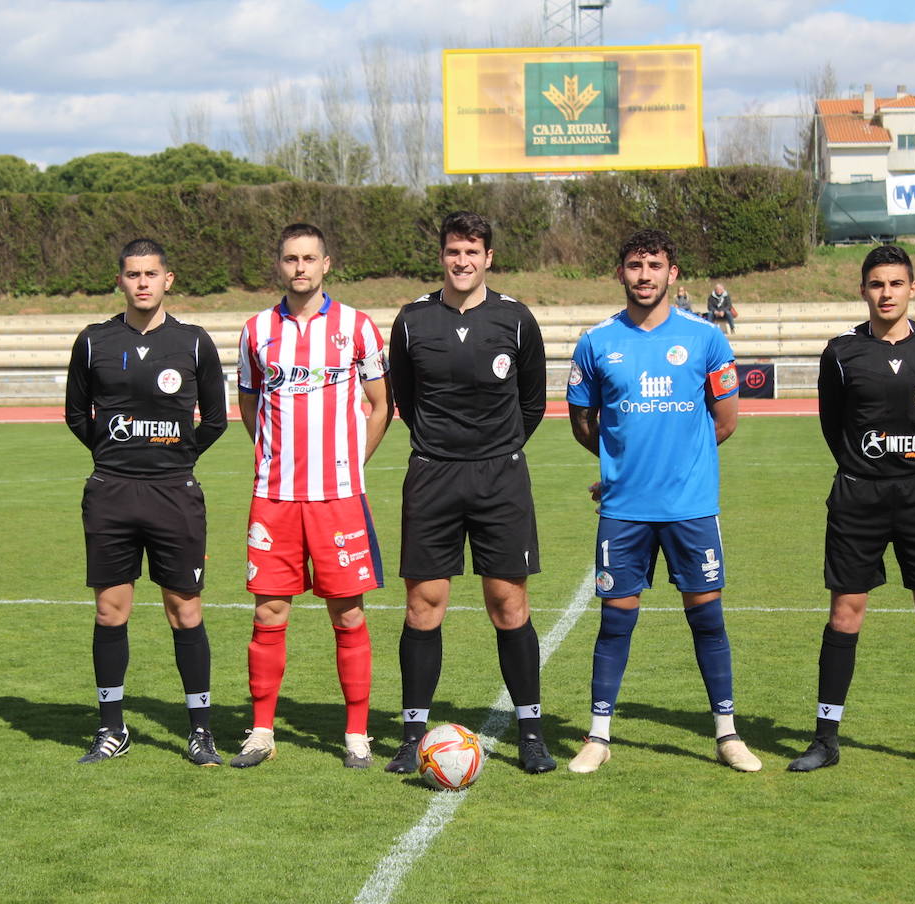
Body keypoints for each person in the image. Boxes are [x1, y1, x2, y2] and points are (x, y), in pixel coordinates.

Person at [788, 244, 915, 775]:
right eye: (876, 284)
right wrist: (864, 467)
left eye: (896, 284)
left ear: (913, 289)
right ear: (863, 290)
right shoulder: (840, 353)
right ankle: (825, 738)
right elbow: (831, 422)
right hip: (859, 498)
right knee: (845, 613)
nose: (886, 293)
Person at [566, 228, 761, 774]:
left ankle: (727, 733)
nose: (644, 275)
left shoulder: (706, 339)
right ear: (620, 273)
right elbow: (584, 422)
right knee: (615, 621)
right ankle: (598, 737)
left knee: (708, 619)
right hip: (624, 510)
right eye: (634, 265)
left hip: (691, 508)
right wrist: (620, 463)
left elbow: (725, 421)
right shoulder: (596, 341)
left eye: (655, 265)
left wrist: (678, 464)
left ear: (673, 274)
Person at [385, 211, 556, 775]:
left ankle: (531, 733)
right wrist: (446, 447)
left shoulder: (516, 319)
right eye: (454, 251)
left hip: (499, 477)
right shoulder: (412, 320)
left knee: (508, 604)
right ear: (443, 256)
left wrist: (494, 448)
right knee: (423, 604)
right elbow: (405, 400)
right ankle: (413, 736)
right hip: (432, 476)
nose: (462, 261)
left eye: (472, 251)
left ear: (489, 258)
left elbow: (531, 401)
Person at [64, 238, 229, 765]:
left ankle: (200, 730)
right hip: (111, 492)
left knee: (184, 610)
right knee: (111, 611)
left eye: (150, 274)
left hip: (173, 494)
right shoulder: (93, 342)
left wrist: (174, 458)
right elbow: (75, 415)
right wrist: (118, 455)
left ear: (167, 280)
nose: (141, 282)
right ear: (121, 281)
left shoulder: (195, 343)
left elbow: (217, 420)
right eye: (132, 274)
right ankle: (112, 728)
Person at [232, 223, 391, 770]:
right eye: (289, 259)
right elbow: (250, 407)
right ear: (279, 266)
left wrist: (350, 461)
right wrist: (275, 456)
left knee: (347, 614)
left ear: (327, 263)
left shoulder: (358, 328)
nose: (299, 267)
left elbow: (380, 404)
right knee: (269, 611)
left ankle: (356, 734)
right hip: (274, 497)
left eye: (309, 258)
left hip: (337, 498)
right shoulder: (255, 331)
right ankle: (260, 730)